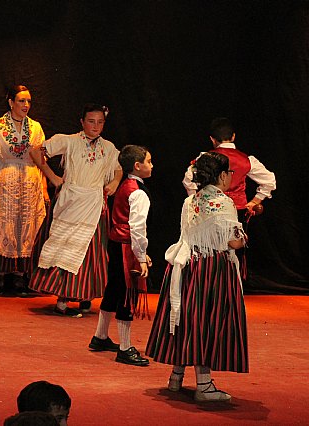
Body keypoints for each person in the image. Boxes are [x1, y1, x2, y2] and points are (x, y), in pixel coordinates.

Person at [146, 152, 247, 402]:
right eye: (230, 173)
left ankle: (176, 376)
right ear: (222, 175)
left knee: (187, 320)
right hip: (211, 269)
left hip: (188, 265)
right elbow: (233, 241)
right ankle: (204, 385)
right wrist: (244, 238)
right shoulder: (223, 202)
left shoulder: (190, 200)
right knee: (206, 322)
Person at [29, 104, 122, 317]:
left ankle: (84, 297)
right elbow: (35, 151)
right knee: (66, 249)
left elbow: (118, 167)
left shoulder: (108, 147)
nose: (95, 126)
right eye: (91, 121)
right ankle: (62, 301)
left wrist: (115, 182)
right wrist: (52, 177)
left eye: (100, 122)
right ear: (82, 122)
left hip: (93, 203)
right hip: (71, 202)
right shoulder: (69, 141)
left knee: (90, 252)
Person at [182, 117, 275, 278]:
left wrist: (195, 200)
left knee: (207, 248)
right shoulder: (247, 160)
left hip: (209, 211)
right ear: (233, 136)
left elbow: (188, 180)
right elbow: (269, 180)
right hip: (236, 210)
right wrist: (254, 202)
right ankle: (230, 288)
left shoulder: (205, 158)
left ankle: (207, 284)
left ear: (212, 139)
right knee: (233, 251)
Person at [88, 145, 153, 367]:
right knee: (126, 296)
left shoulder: (126, 185)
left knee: (114, 289)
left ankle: (100, 336)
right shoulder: (137, 192)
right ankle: (125, 348)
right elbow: (137, 228)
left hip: (117, 244)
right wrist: (142, 256)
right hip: (127, 247)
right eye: (149, 161)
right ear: (137, 166)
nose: (152, 165)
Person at [0, 85, 47, 295]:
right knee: (5, 222)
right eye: (21, 100)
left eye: (28, 101)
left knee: (27, 224)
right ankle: (0, 275)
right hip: (6, 179)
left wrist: (45, 187)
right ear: (11, 102)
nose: (26, 105)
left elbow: (41, 160)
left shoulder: (35, 127)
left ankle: (21, 276)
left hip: (30, 180)